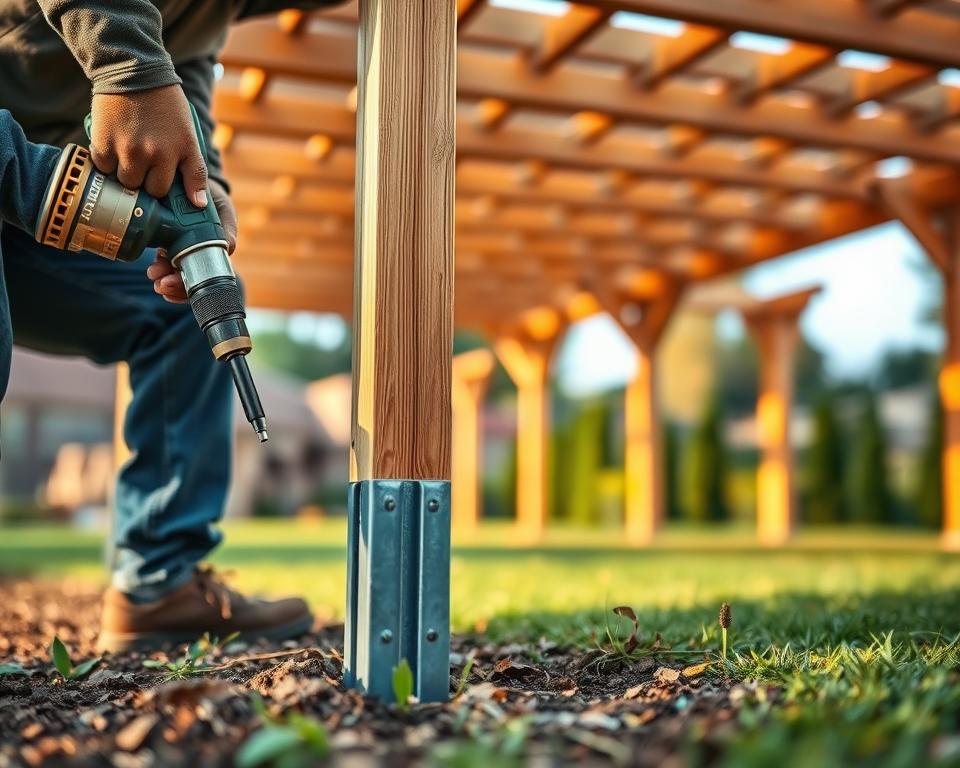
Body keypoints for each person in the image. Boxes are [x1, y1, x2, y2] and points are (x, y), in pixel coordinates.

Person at [0, 0, 339, 652]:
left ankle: (158, 586)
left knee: (178, 306)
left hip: (32, 210)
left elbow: (184, 67)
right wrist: (129, 70)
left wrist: (201, 189)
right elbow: (149, 73)